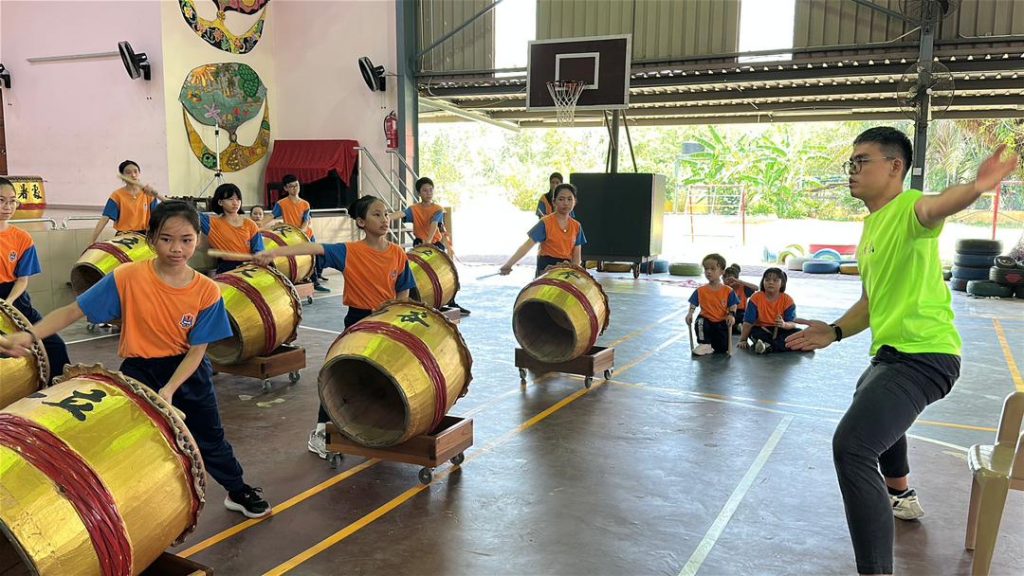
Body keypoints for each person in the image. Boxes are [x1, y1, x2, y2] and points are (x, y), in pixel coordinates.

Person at [785, 127, 1019, 575]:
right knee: (870, 394)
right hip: (893, 355)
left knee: (852, 448)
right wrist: (834, 331)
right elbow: (871, 302)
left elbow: (937, 205)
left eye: (862, 161)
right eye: (851, 162)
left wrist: (976, 187)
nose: (852, 170)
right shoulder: (871, 226)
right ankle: (901, 492)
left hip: (926, 357)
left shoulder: (909, 208)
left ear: (895, 167)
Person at [0, 201, 272, 518]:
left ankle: (238, 490)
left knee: (210, 439)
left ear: (197, 239)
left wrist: (169, 389)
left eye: (186, 239)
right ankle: (125, 508)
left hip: (187, 373)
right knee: (131, 443)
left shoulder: (207, 291)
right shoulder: (127, 276)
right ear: (151, 239)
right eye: (166, 239)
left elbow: (198, 350)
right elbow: (73, 311)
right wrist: (29, 335)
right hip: (138, 372)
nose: (176, 248)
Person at [253, 195, 415, 458]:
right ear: (361, 222)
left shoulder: (397, 253)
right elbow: (312, 248)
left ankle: (382, 424)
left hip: (387, 323)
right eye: (376, 215)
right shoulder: (348, 251)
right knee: (339, 375)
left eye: (385, 214)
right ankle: (320, 432)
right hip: (358, 322)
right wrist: (274, 253)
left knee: (388, 375)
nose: (384, 219)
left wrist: (395, 320)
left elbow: (403, 291)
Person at [0, 177, 71, 382]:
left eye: (12, 201)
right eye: (1, 200)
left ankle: (59, 387)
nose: (8, 207)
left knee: (55, 345)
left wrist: (9, 303)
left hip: (14, 298)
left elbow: (22, 280)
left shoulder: (22, 238)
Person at [390, 177, 470, 315]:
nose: (428, 193)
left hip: (435, 245)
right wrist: (386, 217)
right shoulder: (414, 209)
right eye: (425, 190)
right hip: (419, 244)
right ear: (419, 193)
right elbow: (401, 214)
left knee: (446, 272)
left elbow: (434, 225)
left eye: (430, 190)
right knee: (411, 272)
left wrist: (428, 241)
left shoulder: (437, 209)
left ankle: (451, 300)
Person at [501, 183, 586, 277]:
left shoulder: (577, 226)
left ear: (575, 202)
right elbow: (527, 246)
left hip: (566, 269)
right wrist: (508, 265)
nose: (566, 203)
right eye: (561, 199)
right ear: (554, 202)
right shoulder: (545, 223)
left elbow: (576, 257)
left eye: (569, 199)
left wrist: (573, 273)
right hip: (546, 268)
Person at [268, 175, 328, 292]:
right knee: (299, 261)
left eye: (296, 185)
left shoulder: (305, 204)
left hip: (307, 236)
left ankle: (316, 281)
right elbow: (271, 215)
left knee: (315, 257)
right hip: (292, 238)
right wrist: (259, 224)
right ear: (286, 188)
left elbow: (306, 221)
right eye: (291, 186)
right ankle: (306, 281)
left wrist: (301, 232)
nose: (295, 188)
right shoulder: (281, 204)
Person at [90, 160, 166, 244]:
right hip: (123, 237)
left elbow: (158, 218)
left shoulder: (149, 195)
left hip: (144, 236)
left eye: (135, 171)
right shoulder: (117, 195)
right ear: (123, 176)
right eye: (128, 172)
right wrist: (92, 241)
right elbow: (104, 219)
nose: (133, 175)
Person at [199, 184, 264, 274]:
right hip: (226, 269)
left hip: (249, 268)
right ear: (220, 202)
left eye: (238, 199)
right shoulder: (210, 223)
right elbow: (188, 211)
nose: (235, 203)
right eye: (230, 199)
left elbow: (259, 251)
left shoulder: (250, 224)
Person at [736, 267, 799, 354]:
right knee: (755, 332)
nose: (771, 282)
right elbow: (748, 322)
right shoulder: (756, 298)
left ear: (782, 283)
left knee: (798, 333)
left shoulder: (788, 300)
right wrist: (743, 340)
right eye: (767, 279)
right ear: (763, 282)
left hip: (781, 329)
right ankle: (771, 345)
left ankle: (768, 346)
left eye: (775, 280)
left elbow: (792, 323)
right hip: (761, 329)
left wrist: (784, 324)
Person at [685, 253, 738, 355]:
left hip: (721, 322)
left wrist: (731, 315)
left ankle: (712, 344)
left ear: (722, 271)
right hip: (706, 319)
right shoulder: (700, 290)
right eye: (706, 269)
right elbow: (693, 303)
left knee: (722, 348)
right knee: (700, 322)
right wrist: (690, 313)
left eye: (713, 269)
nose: (708, 272)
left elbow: (733, 305)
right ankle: (704, 344)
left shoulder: (728, 290)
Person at [723, 264, 756, 333]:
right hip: (726, 313)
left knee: (748, 319)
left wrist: (739, 281)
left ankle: (739, 327)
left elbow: (756, 288)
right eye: (726, 278)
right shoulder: (722, 288)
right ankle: (737, 327)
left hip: (740, 312)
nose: (729, 282)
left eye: (732, 279)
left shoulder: (742, 287)